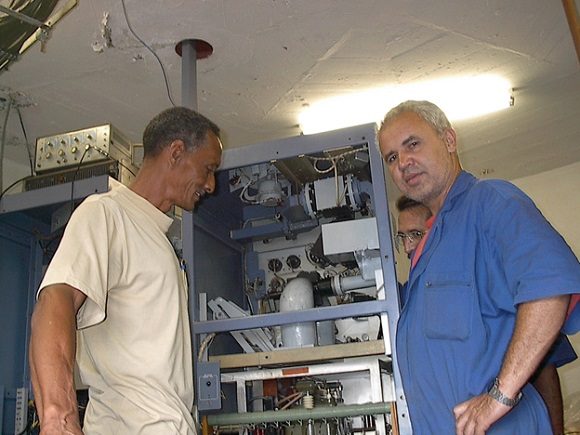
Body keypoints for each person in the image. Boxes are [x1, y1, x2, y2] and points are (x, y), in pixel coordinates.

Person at [378, 100, 580, 434]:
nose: (403, 163)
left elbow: (550, 289)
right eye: (392, 157)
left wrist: (499, 396)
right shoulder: (431, 242)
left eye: (412, 144)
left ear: (449, 140)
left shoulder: (490, 202)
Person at [28, 107, 223, 434]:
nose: (211, 184)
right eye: (208, 169)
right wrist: (58, 418)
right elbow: (54, 302)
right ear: (176, 152)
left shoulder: (157, 241)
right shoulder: (106, 213)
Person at [395, 194, 577, 434]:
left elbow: (544, 368)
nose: (408, 246)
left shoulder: (489, 276)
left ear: (437, 231)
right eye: (402, 237)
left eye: (416, 234)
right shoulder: (411, 297)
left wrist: (556, 431)